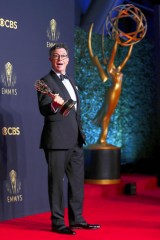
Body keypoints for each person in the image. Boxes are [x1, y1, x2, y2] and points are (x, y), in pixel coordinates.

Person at [37, 43, 100, 235]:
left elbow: (74, 112)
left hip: (76, 141)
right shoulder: (44, 81)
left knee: (77, 183)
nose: (60, 59)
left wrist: (80, 134)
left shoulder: (71, 81)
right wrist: (54, 105)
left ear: (68, 59)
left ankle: (77, 220)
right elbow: (43, 110)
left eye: (63, 56)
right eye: (56, 56)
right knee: (56, 184)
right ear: (50, 59)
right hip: (56, 141)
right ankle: (57, 222)